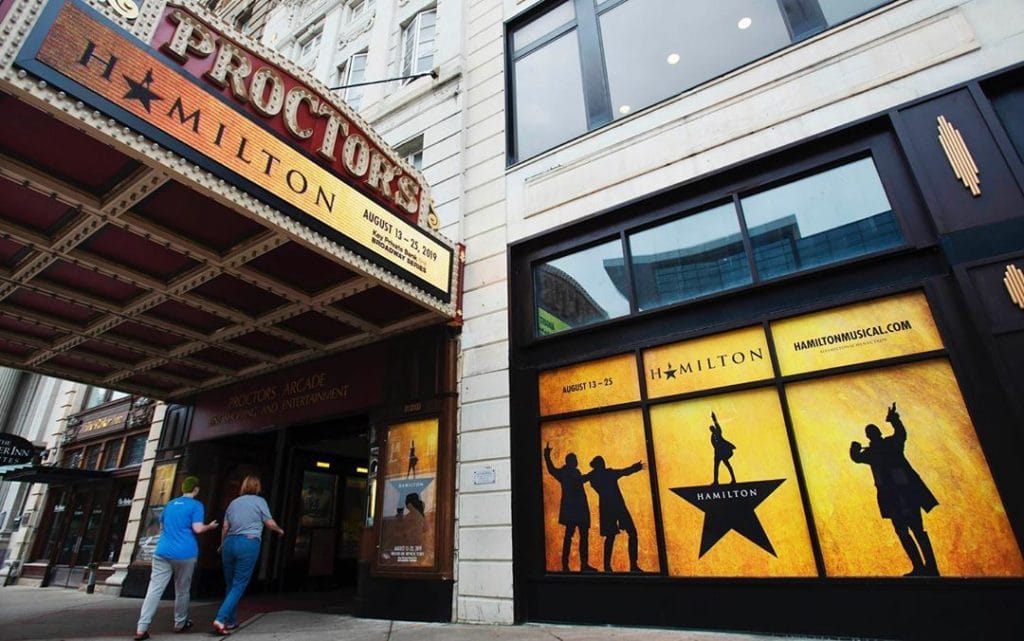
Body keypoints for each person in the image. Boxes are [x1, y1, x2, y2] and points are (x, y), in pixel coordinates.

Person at [850, 402, 940, 577]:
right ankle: (922, 567)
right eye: (870, 433)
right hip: (894, 497)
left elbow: (900, 434)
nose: (872, 435)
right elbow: (857, 457)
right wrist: (854, 449)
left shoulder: (886, 447)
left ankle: (928, 567)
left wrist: (894, 419)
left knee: (913, 530)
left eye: (872, 432)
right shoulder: (878, 450)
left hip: (904, 494)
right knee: (905, 532)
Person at [134, 476, 219, 641]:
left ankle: (141, 628)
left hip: (162, 551)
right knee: (182, 590)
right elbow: (198, 529)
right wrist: (210, 526)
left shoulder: (170, 504)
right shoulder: (196, 505)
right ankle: (180, 623)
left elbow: (162, 526)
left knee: (154, 590)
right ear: (196, 489)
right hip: (185, 553)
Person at [211, 475, 285, 636]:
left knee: (230, 584)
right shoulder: (259, 502)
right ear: (257, 487)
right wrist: (279, 530)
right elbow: (269, 522)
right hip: (248, 543)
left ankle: (231, 621)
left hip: (229, 543)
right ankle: (221, 619)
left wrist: (222, 544)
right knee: (239, 584)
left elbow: (225, 527)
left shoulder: (233, 503)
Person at [543, 442, 596, 572]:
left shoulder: (570, 472)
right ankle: (573, 564)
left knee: (575, 536)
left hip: (576, 509)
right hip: (576, 509)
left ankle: (573, 564)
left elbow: (553, 470)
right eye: (575, 459)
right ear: (571, 461)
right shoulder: (567, 472)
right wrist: (547, 456)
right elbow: (553, 470)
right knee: (576, 536)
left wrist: (547, 456)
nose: (577, 461)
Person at [585, 455, 644, 573]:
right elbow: (624, 472)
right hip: (617, 506)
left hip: (607, 507)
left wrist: (634, 468)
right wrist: (635, 468)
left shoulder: (593, 476)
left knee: (611, 536)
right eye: (602, 463)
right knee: (631, 533)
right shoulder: (608, 473)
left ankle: (608, 566)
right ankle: (632, 565)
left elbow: (579, 479)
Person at [709, 411, 737, 485]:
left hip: (723, 453)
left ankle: (733, 479)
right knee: (716, 467)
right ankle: (716, 481)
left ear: (714, 428)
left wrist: (713, 418)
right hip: (717, 454)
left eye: (712, 428)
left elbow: (717, 423)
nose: (712, 429)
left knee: (728, 466)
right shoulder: (712, 437)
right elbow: (714, 446)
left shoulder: (718, 432)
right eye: (711, 429)